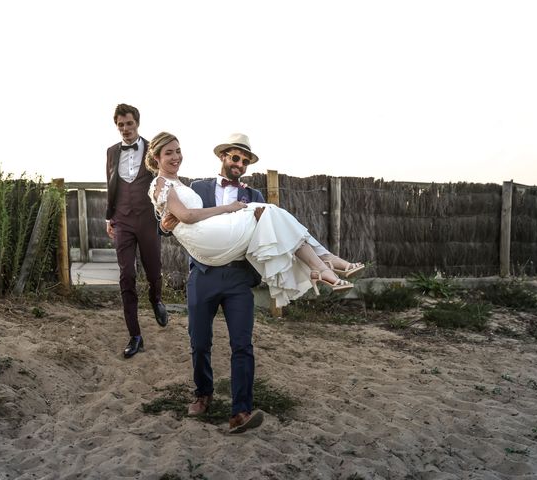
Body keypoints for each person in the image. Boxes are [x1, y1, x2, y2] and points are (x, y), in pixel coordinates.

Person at [146, 132, 362, 433]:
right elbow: (177, 219)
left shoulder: (255, 197)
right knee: (199, 342)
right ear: (223, 157)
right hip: (204, 275)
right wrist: (164, 225)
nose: (239, 164)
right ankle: (203, 394)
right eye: (235, 157)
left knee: (243, 345)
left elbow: (271, 237)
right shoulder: (197, 187)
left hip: (238, 277)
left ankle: (241, 412)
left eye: (245, 161)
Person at [105, 104, 168, 359]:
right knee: (126, 275)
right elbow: (110, 183)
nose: (125, 129)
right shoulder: (111, 152)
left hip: (147, 219)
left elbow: (164, 177)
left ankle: (156, 300)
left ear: (137, 123)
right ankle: (135, 336)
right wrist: (109, 216)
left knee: (153, 270)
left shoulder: (152, 149)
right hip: (122, 220)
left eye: (128, 124)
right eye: (120, 125)